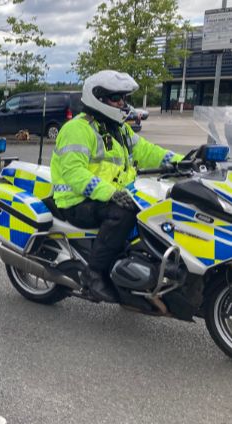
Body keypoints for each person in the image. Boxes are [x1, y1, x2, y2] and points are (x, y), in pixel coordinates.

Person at [50, 70, 182, 303]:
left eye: (123, 98)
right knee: (123, 213)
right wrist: (111, 193)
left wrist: (185, 161)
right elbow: (74, 173)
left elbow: (149, 151)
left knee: (159, 208)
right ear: (98, 98)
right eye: (116, 98)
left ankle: (135, 272)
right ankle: (93, 274)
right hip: (76, 200)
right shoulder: (76, 129)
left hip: (111, 195)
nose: (122, 103)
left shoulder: (118, 129)